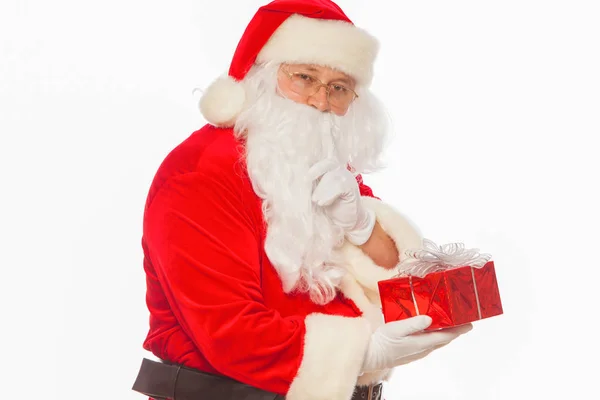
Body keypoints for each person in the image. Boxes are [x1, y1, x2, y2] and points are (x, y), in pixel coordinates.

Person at [132, 1, 473, 399]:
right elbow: (228, 332)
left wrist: (362, 225)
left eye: (339, 87)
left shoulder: (326, 167)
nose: (320, 101)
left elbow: (397, 282)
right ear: (261, 77)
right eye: (304, 77)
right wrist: (366, 351)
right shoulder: (199, 172)